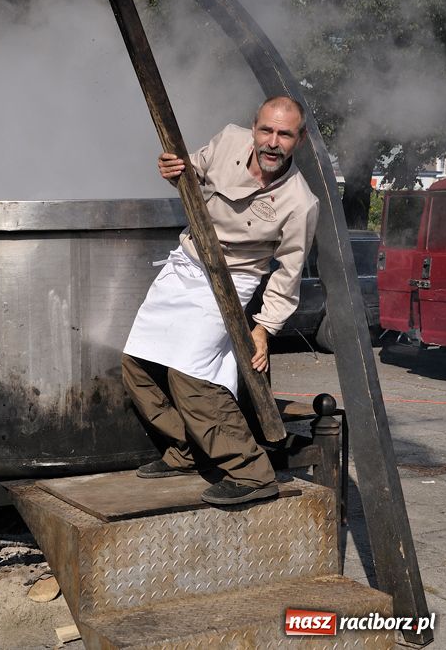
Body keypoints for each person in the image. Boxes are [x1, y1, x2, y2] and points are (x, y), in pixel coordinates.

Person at [122, 96, 319, 506]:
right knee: (137, 361)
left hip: (233, 282)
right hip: (187, 264)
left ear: (298, 140)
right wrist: (173, 169)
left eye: (284, 134)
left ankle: (251, 472)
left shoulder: (300, 202)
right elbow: (191, 169)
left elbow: (288, 274)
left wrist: (264, 329)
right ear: (253, 128)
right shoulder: (228, 140)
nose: (272, 142)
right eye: (266, 130)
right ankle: (186, 450)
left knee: (192, 377)